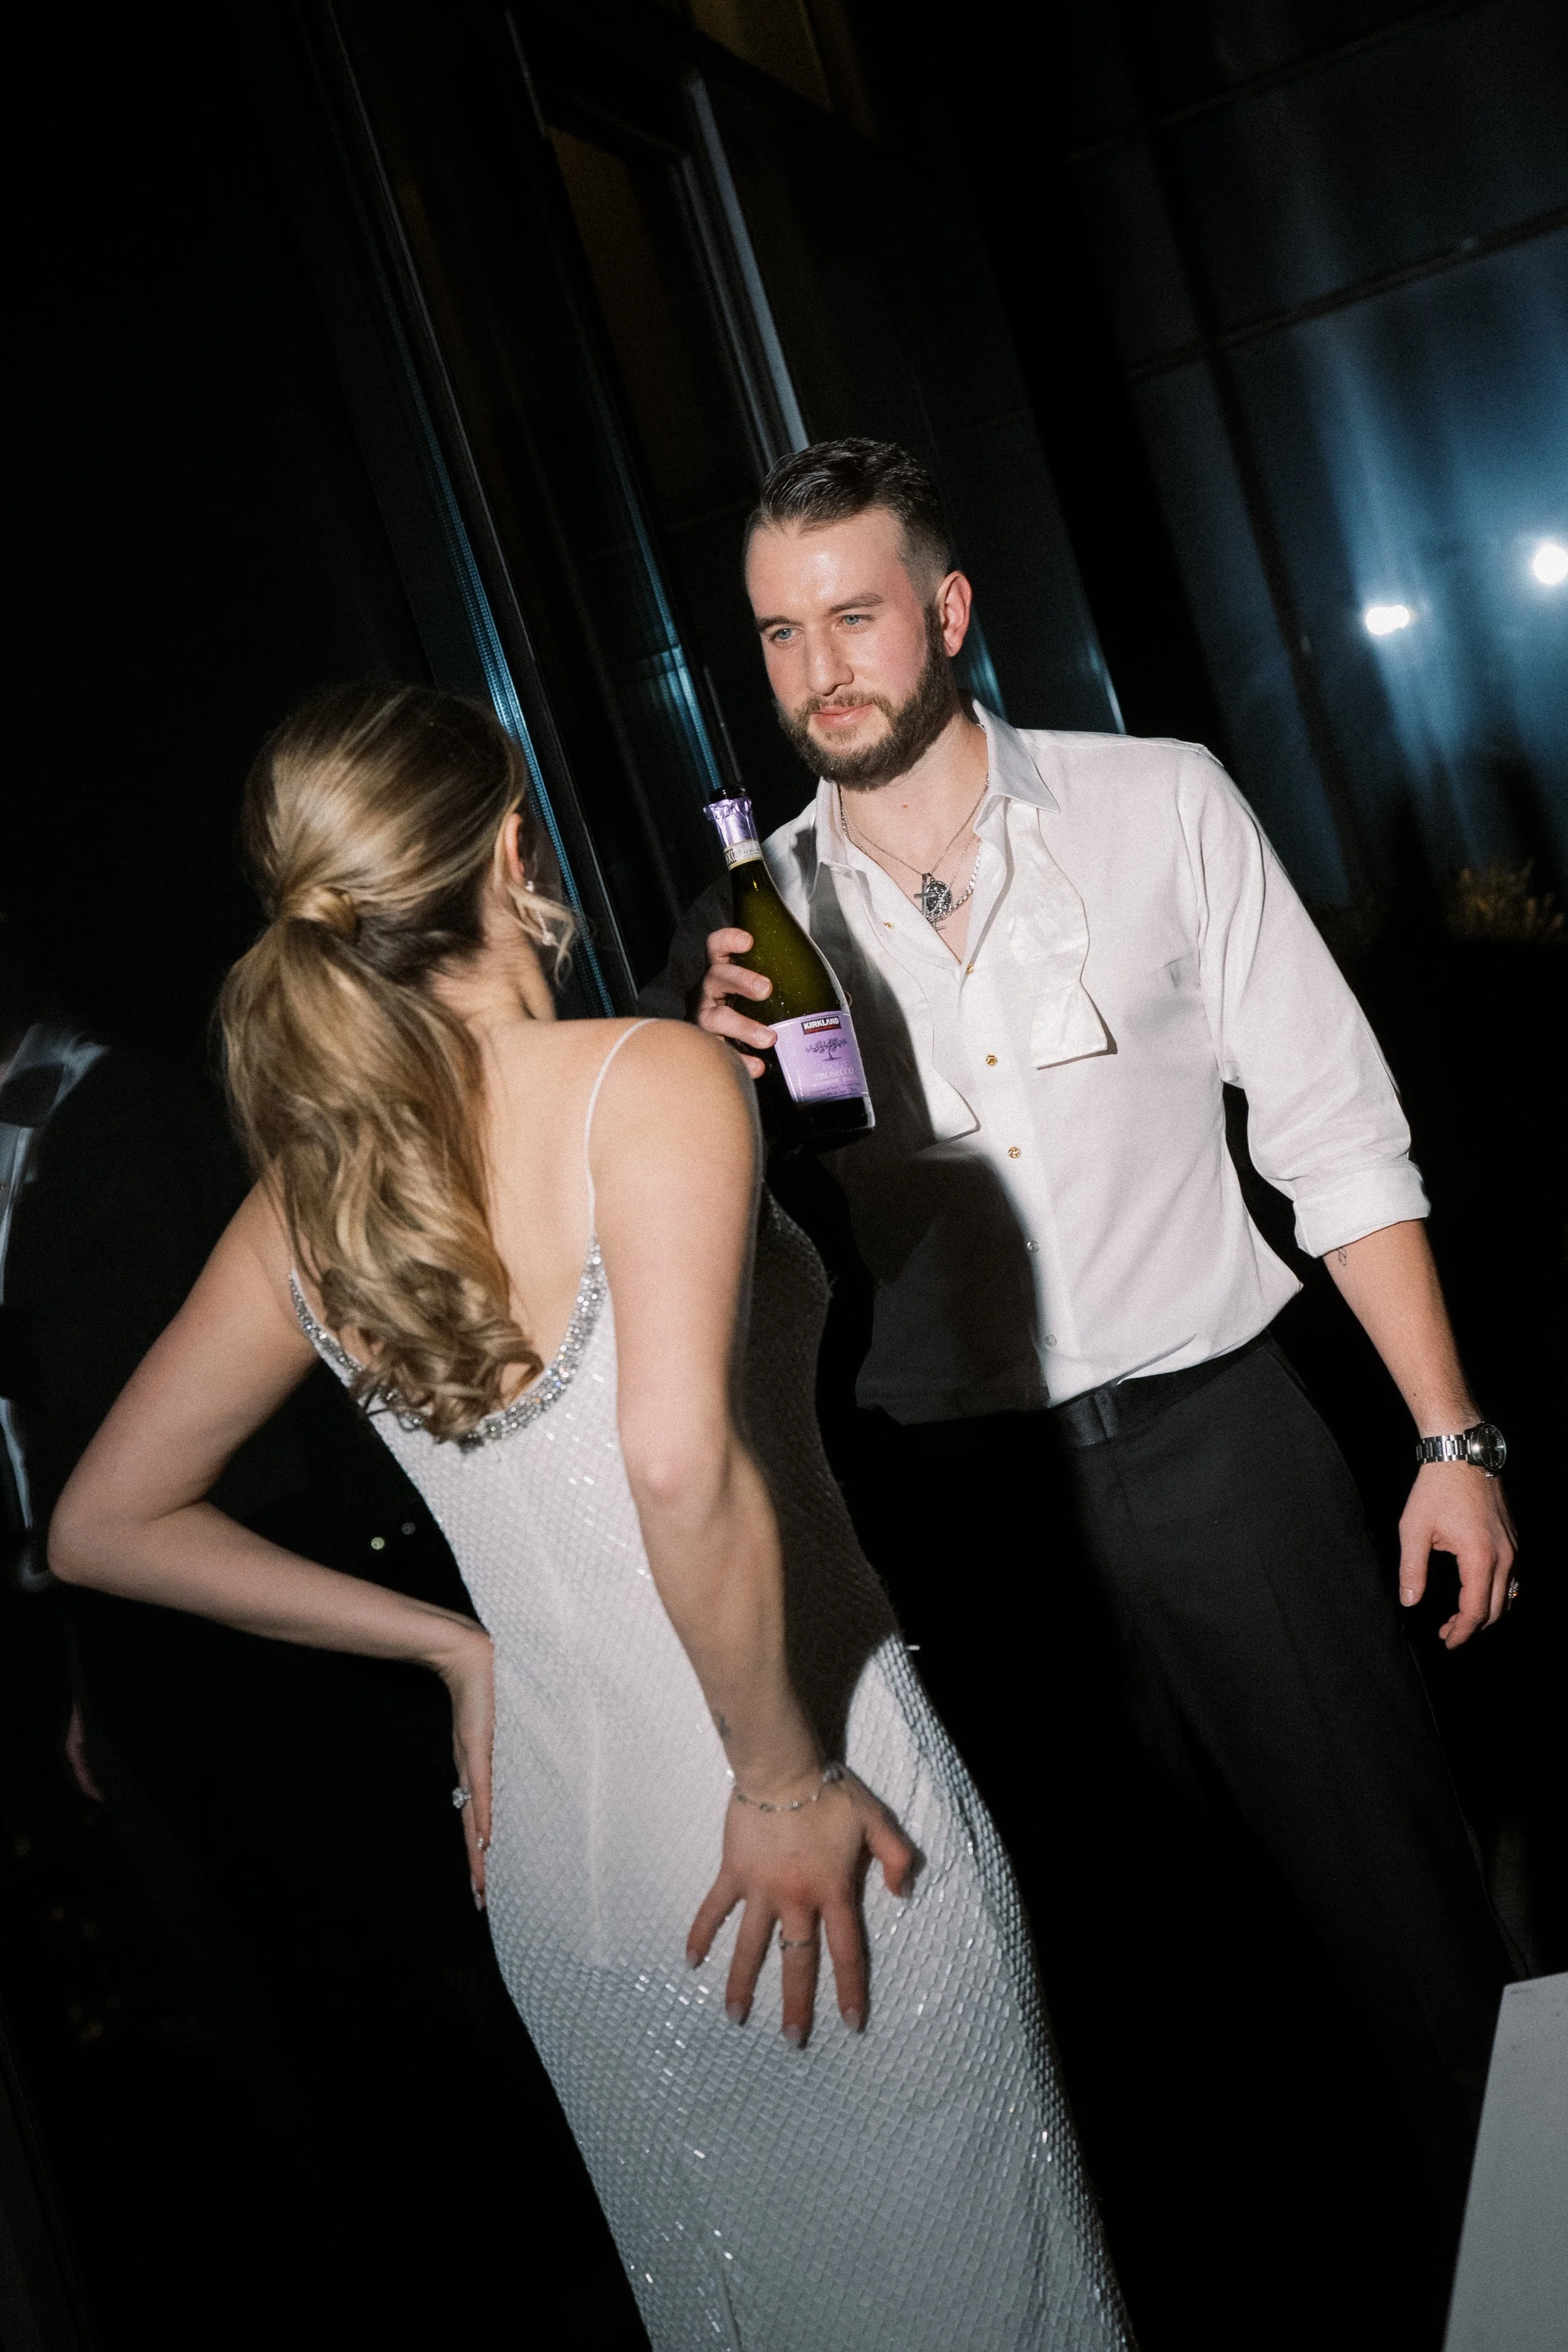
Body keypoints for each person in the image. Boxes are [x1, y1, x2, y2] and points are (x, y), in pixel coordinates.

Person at [51, 681, 1131, 2352]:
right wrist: (776, 1772)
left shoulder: (310, 1197)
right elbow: (676, 1462)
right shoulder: (654, 1078)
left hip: (570, 1869)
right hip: (804, 1802)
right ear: (509, 846)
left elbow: (104, 1523)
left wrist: (456, 1650)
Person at [662, 437, 1518, 2217]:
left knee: (1405, 1926)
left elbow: (1337, 1135)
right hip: (975, 1522)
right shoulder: (754, 937)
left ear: (949, 611)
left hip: (1226, 1449)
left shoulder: (1158, 805)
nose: (821, 669)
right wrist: (705, 1082)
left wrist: (1447, 1441)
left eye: (856, 614)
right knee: (1124, 2011)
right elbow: (732, 1295)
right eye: (776, 633)